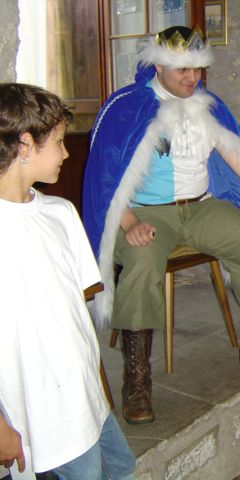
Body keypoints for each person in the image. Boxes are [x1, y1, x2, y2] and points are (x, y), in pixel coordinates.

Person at [82, 25, 240, 426]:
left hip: (201, 208)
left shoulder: (209, 107)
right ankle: (137, 380)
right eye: (183, 70)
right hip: (146, 213)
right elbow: (106, 178)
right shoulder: (126, 107)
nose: (193, 78)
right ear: (158, 66)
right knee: (142, 263)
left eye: (197, 69)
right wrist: (129, 222)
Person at [0, 83, 136, 479]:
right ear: (25, 145)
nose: (66, 153)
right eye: (59, 142)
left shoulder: (60, 213)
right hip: (42, 417)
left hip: (85, 398)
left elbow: (73, 313)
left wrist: (94, 385)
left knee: (122, 468)